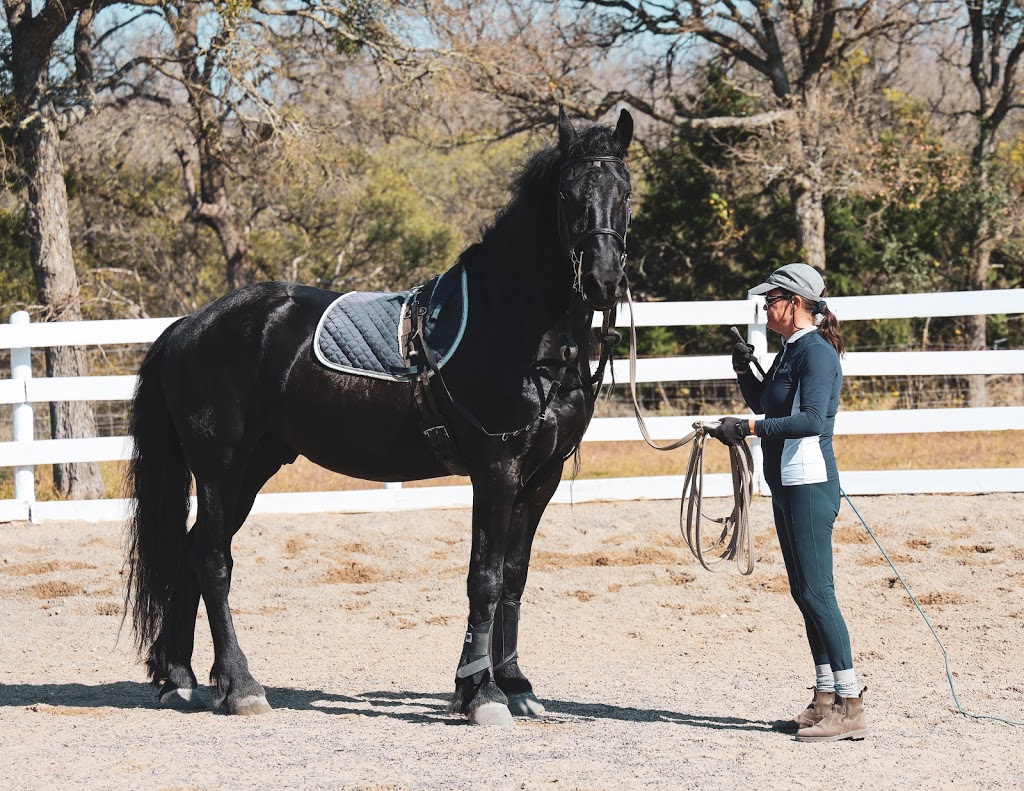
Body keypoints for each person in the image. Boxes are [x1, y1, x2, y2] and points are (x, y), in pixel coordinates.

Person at [710, 262, 868, 743]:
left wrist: (750, 429)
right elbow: (765, 402)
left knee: (819, 593)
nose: (765, 306)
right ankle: (824, 697)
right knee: (804, 593)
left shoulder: (816, 355)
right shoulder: (791, 350)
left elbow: (812, 421)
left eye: (772, 298)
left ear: (795, 304)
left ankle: (851, 703)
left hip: (808, 482)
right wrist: (743, 368)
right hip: (787, 482)